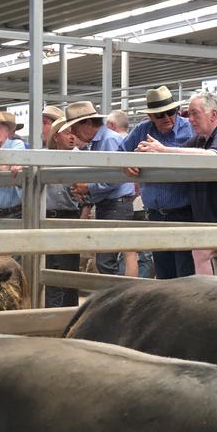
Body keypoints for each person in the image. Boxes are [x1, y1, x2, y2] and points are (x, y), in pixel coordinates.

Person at [135, 90, 217, 278]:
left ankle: (205, 300)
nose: (190, 119)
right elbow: (180, 154)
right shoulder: (201, 140)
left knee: (202, 253)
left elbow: (212, 157)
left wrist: (162, 149)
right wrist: (144, 155)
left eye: (195, 113)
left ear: (213, 114)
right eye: (188, 114)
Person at [120, 85, 195, 279]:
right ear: (151, 117)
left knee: (186, 274)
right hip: (155, 214)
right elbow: (119, 153)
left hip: (184, 213)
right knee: (163, 272)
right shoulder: (142, 130)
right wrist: (126, 164)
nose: (167, 118)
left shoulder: (190, 129)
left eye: (171, 112)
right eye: (160, 115)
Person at [59, 101, 137, 276]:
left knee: (106, 259)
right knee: (117, 255)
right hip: (114, 204)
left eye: (74, 128)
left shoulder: (108, 140)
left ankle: (117, 296)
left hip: (115, 205)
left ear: (87, 123)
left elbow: (115, 177)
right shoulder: (100, 141)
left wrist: (89, 188)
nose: (73, 133)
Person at [43, 117, 82, 307]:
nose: (72, 137)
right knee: (50, 268)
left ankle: (67, 313)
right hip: (48, 217)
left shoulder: (80, 159)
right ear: (57, 136)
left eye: (74, 133)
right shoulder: (44, 158)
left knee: (69, 270)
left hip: (69, 217)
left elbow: (86, 194)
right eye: (67, 133)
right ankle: (52, 314)